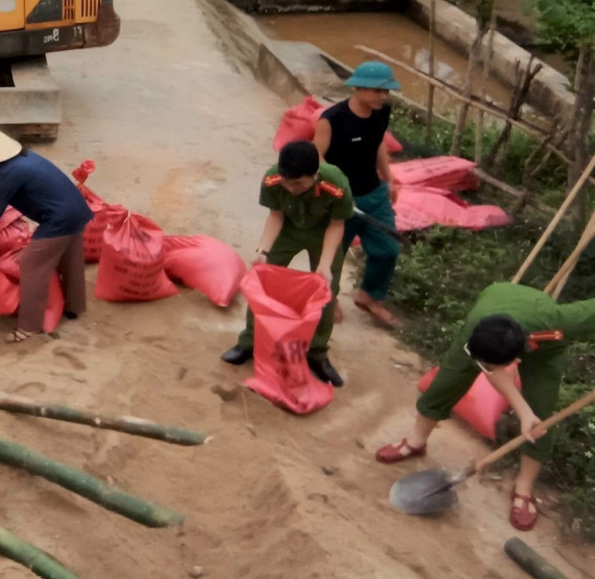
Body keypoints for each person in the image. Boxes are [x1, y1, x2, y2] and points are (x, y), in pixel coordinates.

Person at [375, 282, 595, 530]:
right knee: (446, 381)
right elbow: (492, 371)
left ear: (515, 360)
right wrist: (522, 411)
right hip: (497, 307)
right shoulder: (478, 331)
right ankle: (416, 442)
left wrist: (529, 415)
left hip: (545, 347)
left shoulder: (561, 321)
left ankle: (523, 487)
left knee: (541, 414)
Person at [0, 122, 91, 343]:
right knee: (71, 258)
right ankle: (74, 306)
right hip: (75, 210)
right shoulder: (20, 160)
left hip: (58, 219)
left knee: (31, 265)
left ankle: (29, 326)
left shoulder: (10, 172)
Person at [221, 140, 353, 387]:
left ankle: (317, 353)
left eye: (299, 183)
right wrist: (263, 250)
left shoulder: (335, 184)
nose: (291, 188)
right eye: (287, 182)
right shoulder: (273, 179)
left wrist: (324, 266)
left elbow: (337, 226)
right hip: (288, 229)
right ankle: (249, 342)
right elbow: (275, 215)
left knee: (325, 291)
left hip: (322, 233)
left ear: (314, 174)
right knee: (263, 281)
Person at [314, 60, 402, 327]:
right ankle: (329, 299)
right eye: (378, 91)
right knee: (334, 255)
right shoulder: (332, 120)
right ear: (359, 89)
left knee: (388, 249)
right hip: (340, 199)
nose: (383, 96)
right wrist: (334, 191)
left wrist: (390, 178)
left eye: (386, 92)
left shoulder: (381, 112)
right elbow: (316, 158)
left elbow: (378, 143)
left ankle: (369, 296)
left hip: (373, 194)